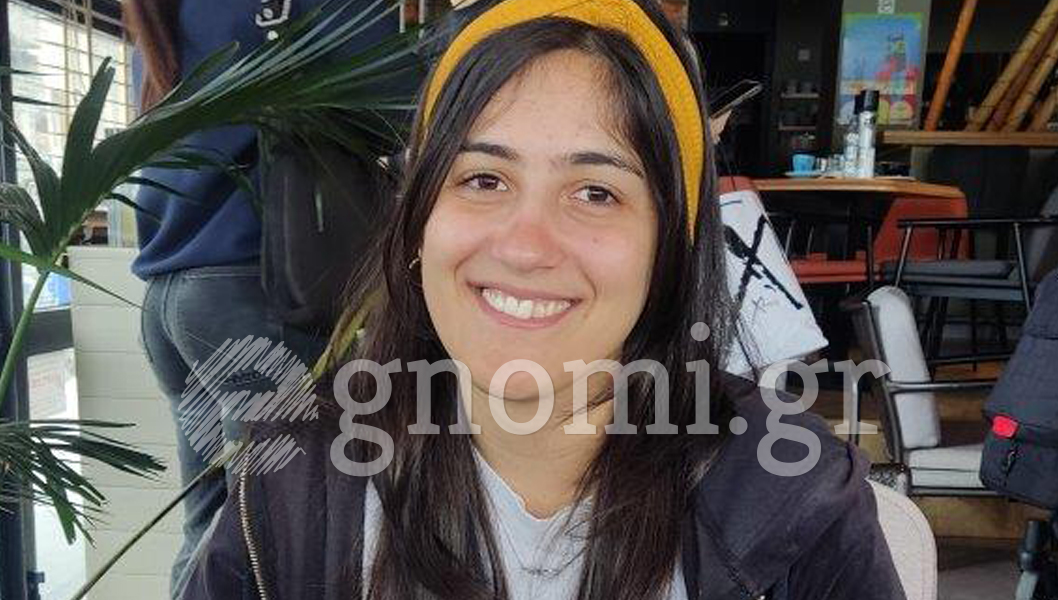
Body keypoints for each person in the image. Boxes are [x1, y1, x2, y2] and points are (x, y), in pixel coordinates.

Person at [180, 1, 906, 599]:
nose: (526, 246)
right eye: (483, 179)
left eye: (596, 192)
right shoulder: (293, 480)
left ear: (670, 248)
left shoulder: (794, 492)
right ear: (418, 219)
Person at [122, 1, 398, 596]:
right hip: (252, 299)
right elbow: (396, 86)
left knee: (213, 530)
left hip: (173, 301)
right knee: (287, 540)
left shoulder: (168, 15)